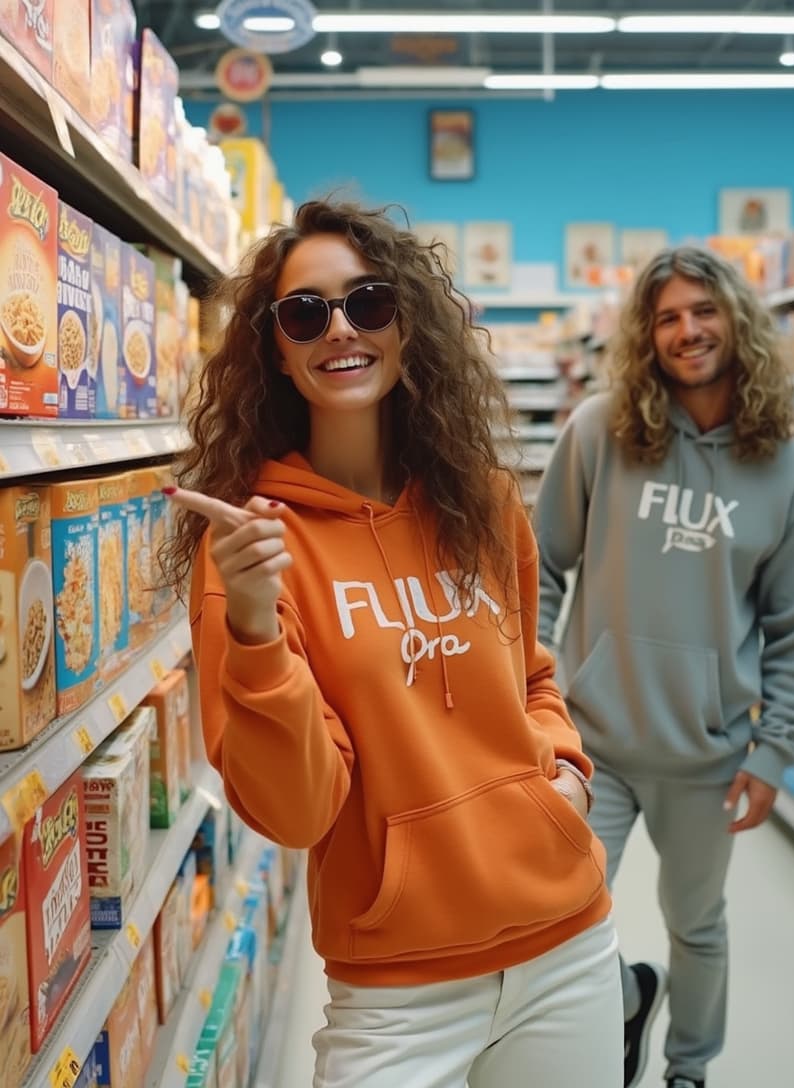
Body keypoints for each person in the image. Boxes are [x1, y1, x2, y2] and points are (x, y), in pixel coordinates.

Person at [162, 198, 623, 1088]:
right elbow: (296, 812)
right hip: (399, 993)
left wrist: (562, 773)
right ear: (278, 352)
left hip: (567, 946)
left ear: (408, 329)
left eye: (368, 302)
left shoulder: (480, 499)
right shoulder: (255, 548)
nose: (341, 329)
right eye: (306, 313)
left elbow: (531, 669)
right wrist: (255, 628)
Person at [533, 245, 794, 1088]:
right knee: (556, 913)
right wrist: (540, 697)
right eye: (666, 317)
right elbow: (540, 566)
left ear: (736, 319)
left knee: (697, 925)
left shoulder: (789, 472)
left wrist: (773, 754)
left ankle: (687, 1070)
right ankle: (620, 1002)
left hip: (709, 754)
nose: (687, 330)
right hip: (594, 744)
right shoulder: (601, 428)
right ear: (646, 335)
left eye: (702, 311)